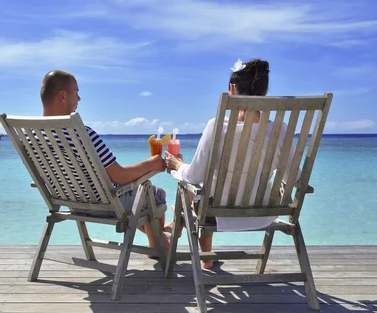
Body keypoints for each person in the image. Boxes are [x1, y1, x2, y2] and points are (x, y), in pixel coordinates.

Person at [165, 58, 298, 269]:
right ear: (264, 94)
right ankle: (203, 252)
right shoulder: (279, 130)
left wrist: (177, 165)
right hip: (265, 213)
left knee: (194, 188)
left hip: (216, 213)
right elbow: (294, 178)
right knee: (204, 189)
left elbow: (194, 176)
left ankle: (187, 233)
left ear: (231, 90)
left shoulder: (216, 126)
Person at [40, 70, 169, 255]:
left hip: (70, 204)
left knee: (143, 199)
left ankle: (160, 240)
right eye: (76, 92)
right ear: (62, 96)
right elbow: (120, 176)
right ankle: (157, 246)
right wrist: (151, 164)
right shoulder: (81, 133)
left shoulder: (32, 137)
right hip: (105, 205)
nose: (79, 99)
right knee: (156, 194)